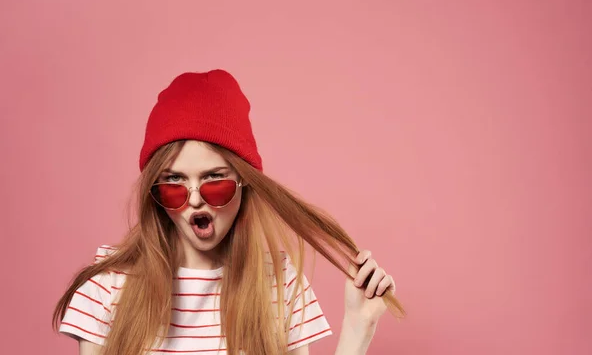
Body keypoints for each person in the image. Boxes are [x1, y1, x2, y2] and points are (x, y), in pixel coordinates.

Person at [52, 69, 405, 355]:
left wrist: (360, 327)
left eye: (214, 181)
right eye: (174, 182)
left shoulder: (280, 285)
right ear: (154, 191)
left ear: (244, 182)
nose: (194, 201)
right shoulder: (108, 285)